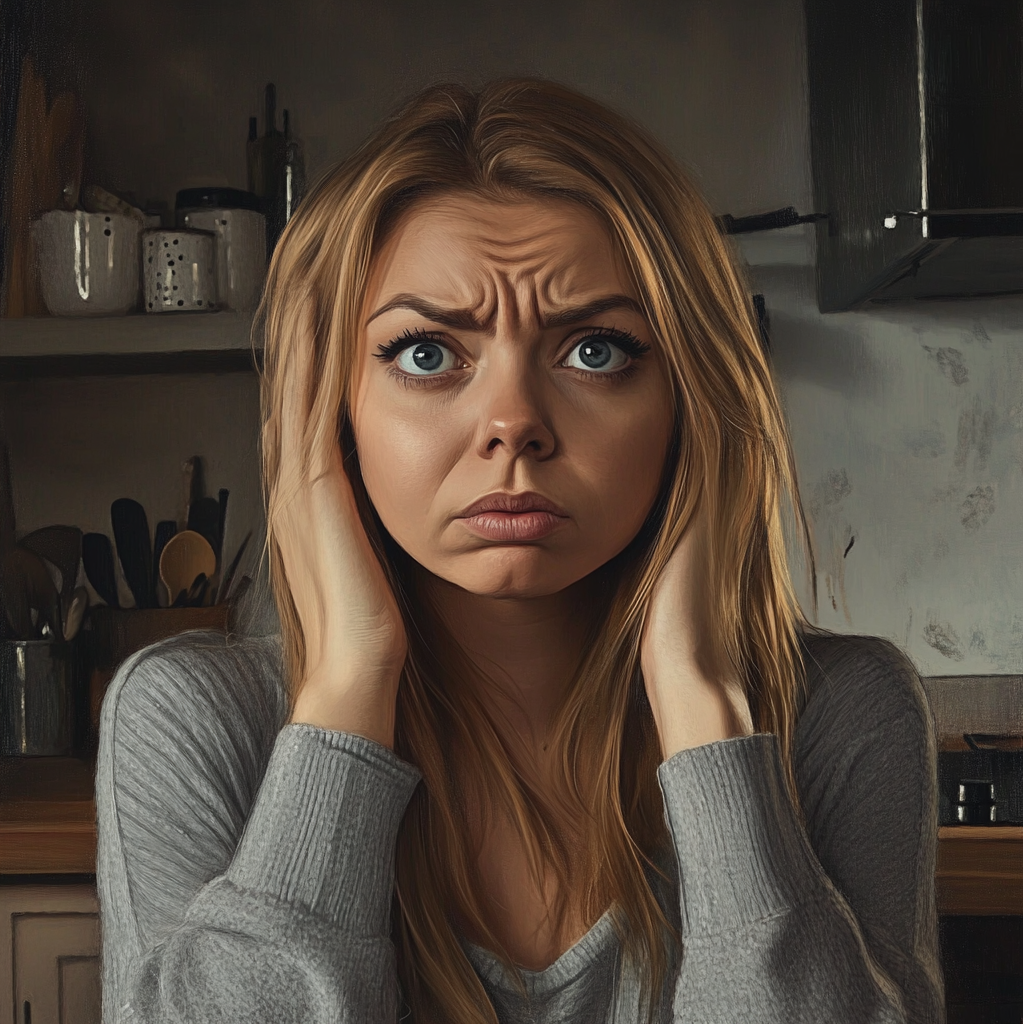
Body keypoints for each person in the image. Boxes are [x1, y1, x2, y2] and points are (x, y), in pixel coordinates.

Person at [95, 78, 945, 1024]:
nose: (514, 426)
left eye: (596, 351)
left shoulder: (845, 718)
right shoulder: (191, 722)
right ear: (325, 410)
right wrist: (346, 689)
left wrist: (704, 701)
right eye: (426, 354)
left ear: (693, 404)